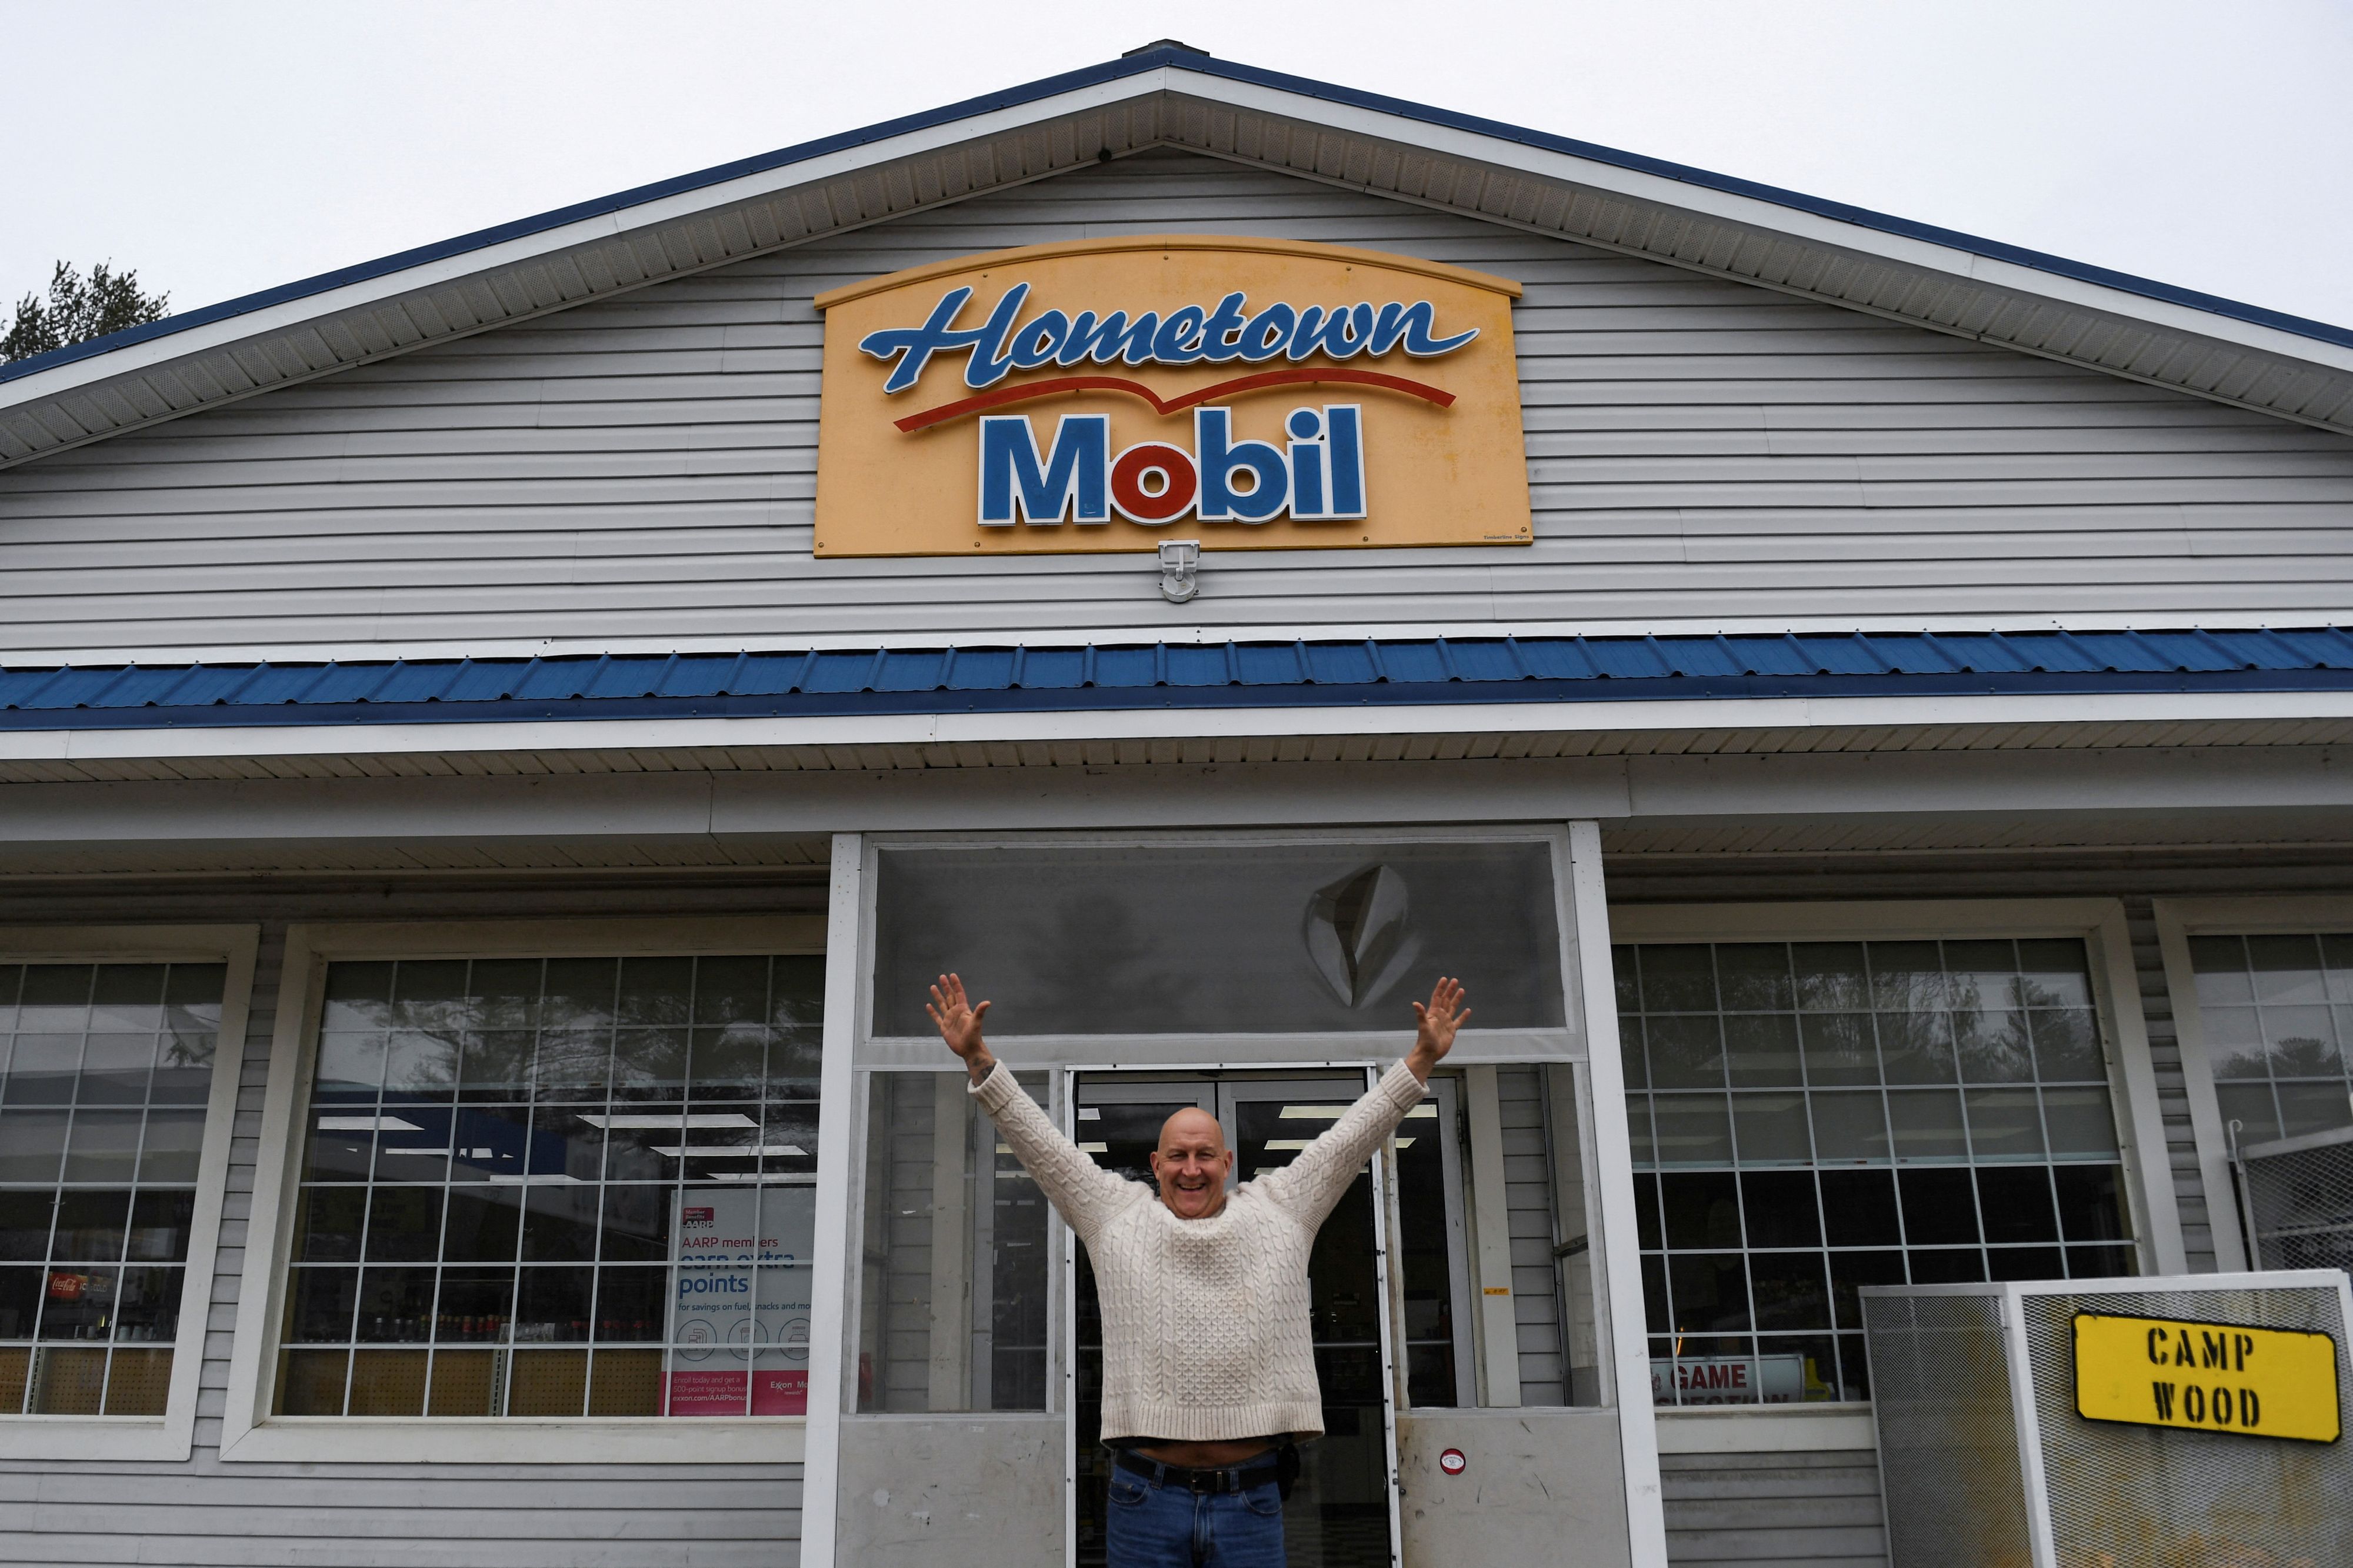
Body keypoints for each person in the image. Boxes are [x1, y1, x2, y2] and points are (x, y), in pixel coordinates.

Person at [926, 971, 1469, 1568]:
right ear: (1155, 1163)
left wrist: (1421, 1058)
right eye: (1178, 1155)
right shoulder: (1113, 1215)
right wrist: (978, 1057)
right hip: (1143, 1496)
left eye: (1204, 1154)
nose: (1191, 1168)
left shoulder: (1281, 1208)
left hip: (1251, 1499)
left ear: (1226, 1160)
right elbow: (1040, 1142)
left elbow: (1351, 1136)